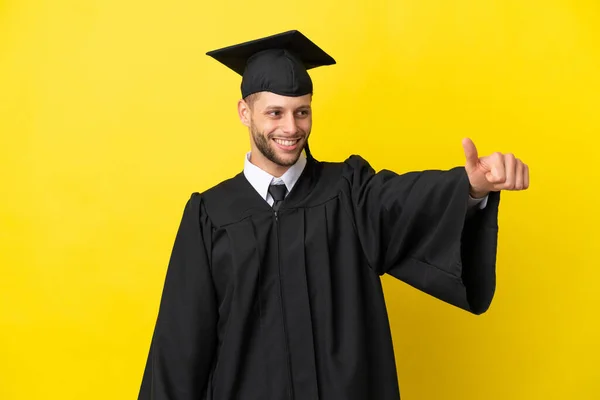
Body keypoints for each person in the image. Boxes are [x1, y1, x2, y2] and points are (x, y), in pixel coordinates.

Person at [137, 30, 529, 400]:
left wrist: (471, 187)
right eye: (275, 113)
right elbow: (179, 344)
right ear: (245, 113)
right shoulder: (210, 215)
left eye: (302, 112)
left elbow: (404, 202)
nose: (291, 127)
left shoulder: (349, 192)